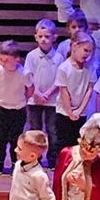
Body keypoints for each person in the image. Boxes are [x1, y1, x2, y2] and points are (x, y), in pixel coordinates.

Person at [52, 35, 96, 158]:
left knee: (76, 143)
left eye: (90, 51)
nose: (87, 54)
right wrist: (70, 112)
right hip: (64, 113)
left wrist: (80, 110)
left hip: (80, 114)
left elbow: (89, 89)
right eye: (85, 50)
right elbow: (63, 91)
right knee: (63, 144)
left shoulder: (90, 68)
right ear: (74, 46)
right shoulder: (64, 68)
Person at [0, 41, 29, 173]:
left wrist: (23, 100)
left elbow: (30, 88)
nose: (2, 63)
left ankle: (14, 162)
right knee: (0, 136)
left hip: (18, 110)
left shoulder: (23, 73)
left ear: (17, 59)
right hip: (2, 107)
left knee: (15, 138)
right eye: (1, 60)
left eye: (6, 60)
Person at [22, 21, 60, 158]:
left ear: (54, 37)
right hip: (34, 99)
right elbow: (27, 76)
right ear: (36, 37)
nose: (44, 39)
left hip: (53, 100)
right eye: (41, 36)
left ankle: (52, 159)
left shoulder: (59, 57)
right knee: (35, 129)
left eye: (47, 36)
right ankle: (35, 157)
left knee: (52, 130)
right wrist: (37, 93)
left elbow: (60, 80)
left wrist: (48, 93)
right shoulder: (31, 56)